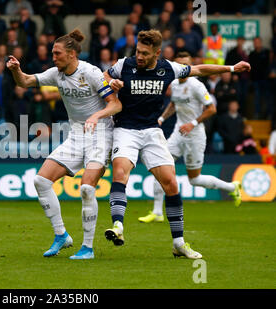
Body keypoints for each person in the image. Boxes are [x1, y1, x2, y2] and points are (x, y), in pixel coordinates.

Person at [103, 29, 250, 259]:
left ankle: (178, 244)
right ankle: (118, 226)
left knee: (171, 183)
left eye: (144, 53)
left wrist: (231, 68)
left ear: (157, 53)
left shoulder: (168, 68)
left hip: (152, 131)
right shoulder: (124, 64)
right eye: (137, 51)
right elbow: (104, 76)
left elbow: (200, 69)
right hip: (125, 129)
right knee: (121, 171)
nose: (139, 56)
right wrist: (111, 82)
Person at [6, 29, 122, 260]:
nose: (53, 57)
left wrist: (96, 116)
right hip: (76, 134)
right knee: (41, 181)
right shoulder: (56, 73)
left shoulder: (91, 73)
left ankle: (87, 247)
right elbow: (26, 82)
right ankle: (62, 235)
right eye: (52, 53)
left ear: (71, 54)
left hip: (100, 134)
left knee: (87, 188)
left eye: (57, 53)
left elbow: (115, 105)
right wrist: (17, 70)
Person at [138, 52, 242, 225]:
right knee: (160, 166)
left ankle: (232, 187)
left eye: (186, 64)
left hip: (195, 135)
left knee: (194, 180)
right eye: (181, 65)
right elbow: (173, 103)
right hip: (179, 134)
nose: (184, 68)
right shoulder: (175, 83)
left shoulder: (197, 86)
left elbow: (212, 109)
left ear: (191, 65)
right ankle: (157, 212)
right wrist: (162, 119)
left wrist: (192, 123)